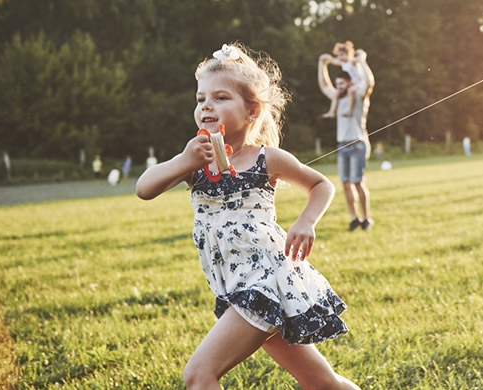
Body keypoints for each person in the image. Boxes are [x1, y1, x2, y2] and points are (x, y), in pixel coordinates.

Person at [135, 42, 359, 390]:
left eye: (221, 97)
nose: (207, 104)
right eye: (201, 98)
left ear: (252, 111)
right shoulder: (194, 161)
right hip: (234, 287)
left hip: (265, 282)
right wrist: (184, 161)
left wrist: (305, 221)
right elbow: (144, 188)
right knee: (320, 382)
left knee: (198, 376)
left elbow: (320, 185)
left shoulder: (265, 158)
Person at [318, 42, 375, 231]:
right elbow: (324, 85)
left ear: (351, 82)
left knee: (358, 182)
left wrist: (363, 62)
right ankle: (354, 218)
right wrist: (322, 64)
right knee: (345, 183)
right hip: (342, 145)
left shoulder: (359, 96)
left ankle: (366, 218)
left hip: (358, 143)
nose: (338, 86)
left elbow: (369, 82)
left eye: (342, 83)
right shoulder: (338, 97)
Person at [321, 41, 362, 118]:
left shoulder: (351, 61)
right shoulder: (343, 62)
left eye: (342, 55)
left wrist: (361, 55)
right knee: (337, 94)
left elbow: (359, 60)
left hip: (358, 83)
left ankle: (350, 110)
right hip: (350, 84)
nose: (340, 58)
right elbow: (333, 61)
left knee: (350, 91)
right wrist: (327, 58)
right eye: (338, 55)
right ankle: (332, 112)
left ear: (348, 54)